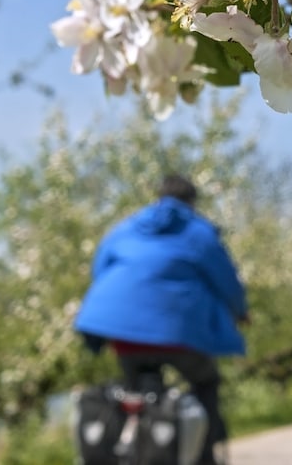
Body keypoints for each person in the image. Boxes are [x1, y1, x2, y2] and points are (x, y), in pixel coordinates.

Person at [73, 174, 248, 465]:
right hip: (179, 334)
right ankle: (203, 455)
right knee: (205, 384)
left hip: (123, 331)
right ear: (191, 202)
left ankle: (122, 446)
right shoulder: (199, 232)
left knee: (130, 390)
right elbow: (226, 280)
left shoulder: (126, 227)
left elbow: (99, 268)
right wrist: (240, 310)